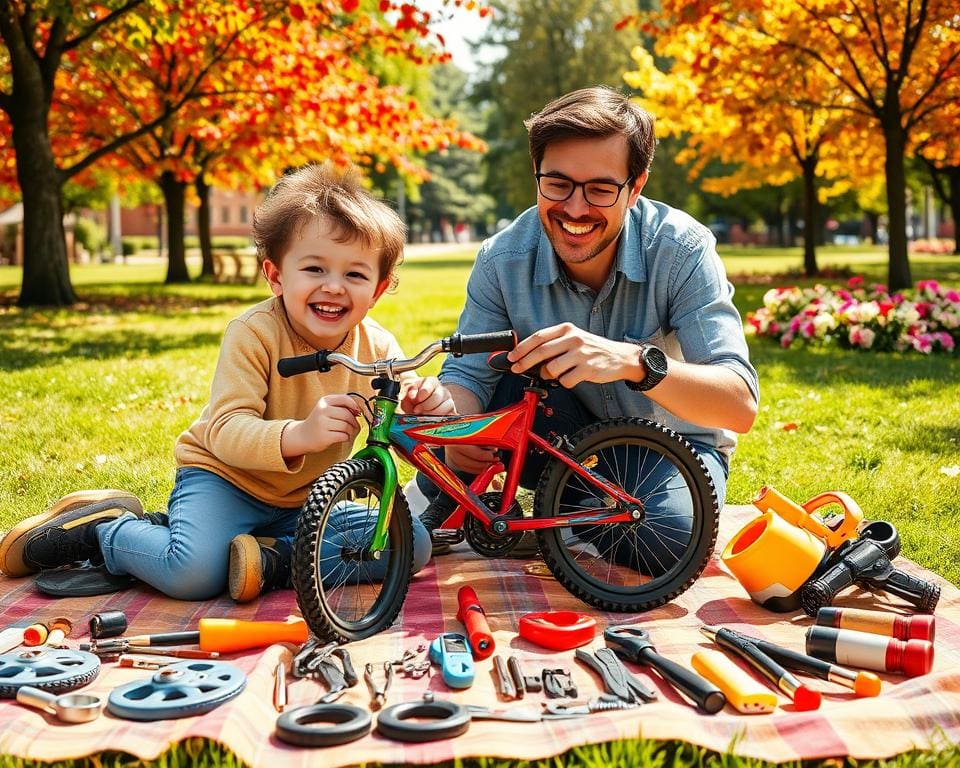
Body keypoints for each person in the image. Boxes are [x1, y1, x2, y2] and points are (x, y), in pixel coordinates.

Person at [0, 163, 453, 601]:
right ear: (276, 276)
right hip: (225, 479)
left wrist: (425, 405)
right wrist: (301, 435)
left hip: (307, 501)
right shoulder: (254, 332)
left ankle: (271, 559)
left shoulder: (377, 345)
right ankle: (106, 530)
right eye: (315, 269)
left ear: (376, 290)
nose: (334, 286)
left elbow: (399, 428)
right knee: (192, 574)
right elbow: (225, 430)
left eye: (354, 274)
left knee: (411, 545)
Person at [415, 86, 759, 572]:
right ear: (536, 177)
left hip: (670, 448)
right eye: (557, 184)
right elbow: (470, 381)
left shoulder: (683, 249)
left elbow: (739, 404)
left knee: (663, 542)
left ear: (635, 187)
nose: (575, 209)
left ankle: (560, 516)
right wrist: (454, 426)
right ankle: (544, 510)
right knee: (453, 441)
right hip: (557, 431)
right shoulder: (502, 258)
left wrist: (633, 362)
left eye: (600, 189)